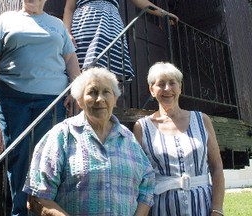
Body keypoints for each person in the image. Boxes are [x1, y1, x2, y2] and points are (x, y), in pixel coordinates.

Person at [0, 0, 81, 215]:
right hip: (13, 98)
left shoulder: (56, 24)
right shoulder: (6, 20)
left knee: (51, 157)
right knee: (20, 156)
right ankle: (21, 211)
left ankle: (48, 211)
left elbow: (70, 58)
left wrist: (76, 88)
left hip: (52, 100)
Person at [23, 67, 156, 215]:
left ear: (115, 99)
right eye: (92, 92)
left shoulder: (128, 139)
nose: (100, 99)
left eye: (106, 92)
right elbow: (38, 197)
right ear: (79, 101)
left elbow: (147, 185)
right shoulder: (61, 135)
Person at [133, 62, 225, 216]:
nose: (167, 88)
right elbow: (138, 176)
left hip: (202, 207)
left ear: (180, 87)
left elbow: (216, 167)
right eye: (161, 84)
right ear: (152, 90)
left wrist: (217, 209)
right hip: (161, 209)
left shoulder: (202, 120)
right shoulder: (142, 127)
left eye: (172, 83)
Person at [63, 0, 178, 79]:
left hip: (110, 26)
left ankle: (109, 109)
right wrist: (66, 32)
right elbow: (69, 8)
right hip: (84, 26)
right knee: (81, 69)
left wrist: (164, 13)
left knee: (108, 71)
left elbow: (141, 1)